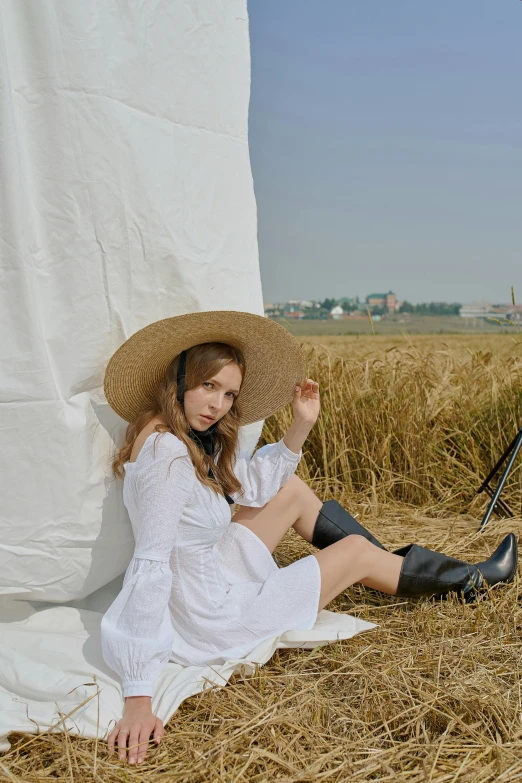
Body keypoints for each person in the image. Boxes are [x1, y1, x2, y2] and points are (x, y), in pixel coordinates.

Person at [101, 310, 518, 766]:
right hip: (207, 615)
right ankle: (469, 579)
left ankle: (389, 567)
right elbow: (151, 564)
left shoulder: (179, 434)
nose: (217, 404)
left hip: (209, 571)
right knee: (355, 550)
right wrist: (138, 694)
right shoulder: (168, 457)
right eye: (207, 386)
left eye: (228, 393)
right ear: (179, 379)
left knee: (293, 491)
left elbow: (252, 486)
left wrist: (300, 425)